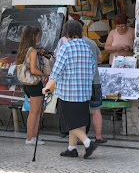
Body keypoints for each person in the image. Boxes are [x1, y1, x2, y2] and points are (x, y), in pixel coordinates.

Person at [42, 20, 97, 159]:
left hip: (68, 93)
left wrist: (47, 87)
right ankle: (72, 148)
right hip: (84, 93)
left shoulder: (65, 48)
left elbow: (56, 71)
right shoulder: (87, 47)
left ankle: (88, 143)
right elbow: (92, 69)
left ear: (66, 33)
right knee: (76, 122)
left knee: (69, 122)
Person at [16, 26, 46, 145]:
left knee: (35, 112)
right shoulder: (32, 51)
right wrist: (44, 74)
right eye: (37, 35)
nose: (38, 38)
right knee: (35, 112)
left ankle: (33, 137)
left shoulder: (24, 49)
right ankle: (30, 138)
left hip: (26, 84)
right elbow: (33, 70)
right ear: (33, 36)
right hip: (34, 84)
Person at [82, 35, 107, 143]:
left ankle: (81, 137)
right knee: (96, 110)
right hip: (94, 80)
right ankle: (98, 136)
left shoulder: (72, 44)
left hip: (80, 82)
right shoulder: (91, 42)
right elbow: (100, 57)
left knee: (81, 110)